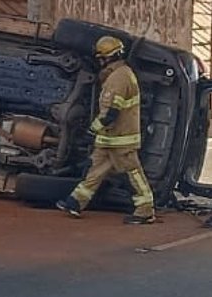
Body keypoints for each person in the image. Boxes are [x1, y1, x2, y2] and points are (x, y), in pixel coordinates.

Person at [58, 35, 155, 224]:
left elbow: (111, 112)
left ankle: (145, 210)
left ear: (107, 58)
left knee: (133, 174)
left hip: (121, 139)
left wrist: (92, 130)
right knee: (95, 170)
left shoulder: (119, 77)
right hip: (109, 139)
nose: (99, 61)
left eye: (101, 58)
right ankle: (75, 203)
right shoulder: (119, 74)